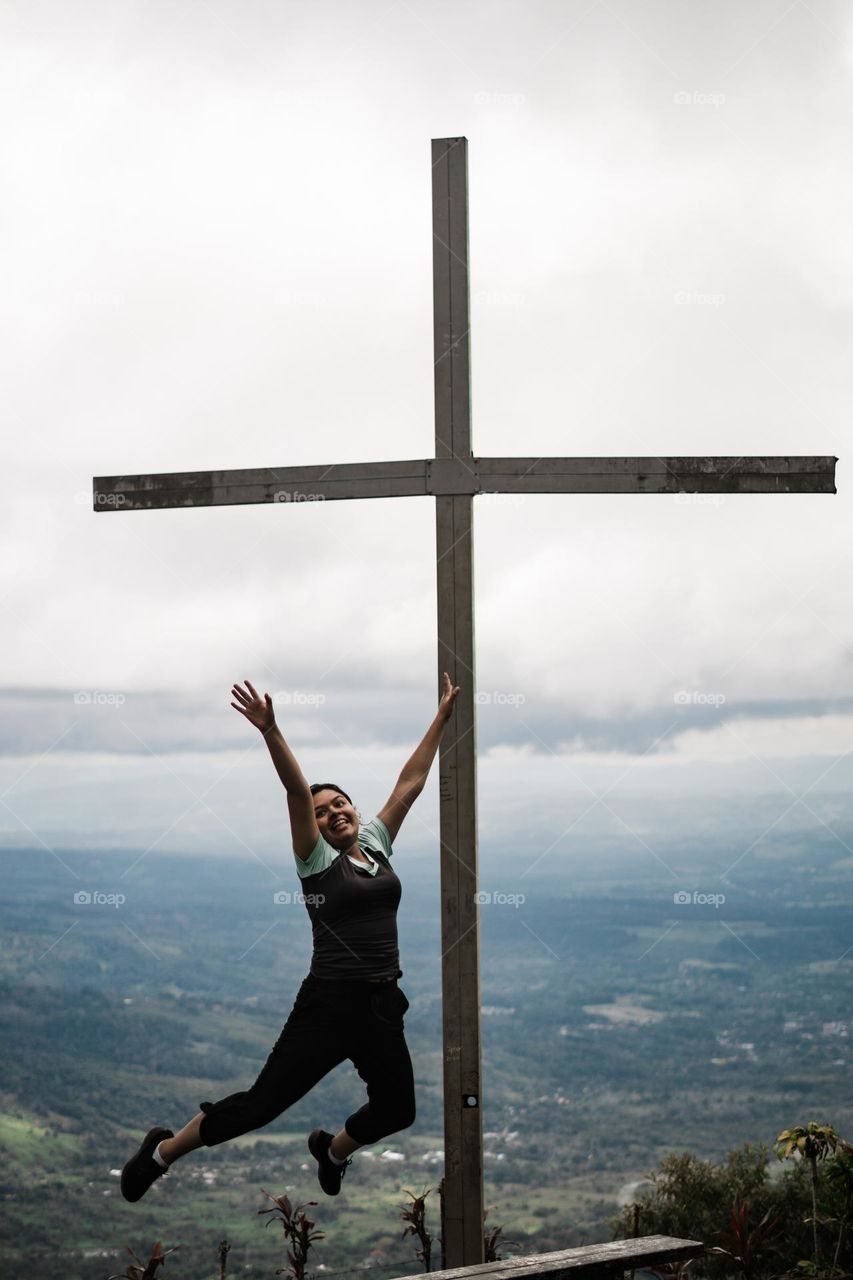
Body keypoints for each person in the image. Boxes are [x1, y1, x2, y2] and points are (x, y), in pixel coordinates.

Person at [120, 672, 460, 1203]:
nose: (333, 812)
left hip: (380, 1002)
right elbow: (296, 792)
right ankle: (160, 1154)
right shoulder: (316, 862)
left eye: (341, 803)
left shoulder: (374, 843)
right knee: (260, 1106)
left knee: (398, 1110)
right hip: (328, 1004)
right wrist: (271, 731)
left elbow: (410, 783)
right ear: (316, 827)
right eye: (323, 812)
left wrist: (440, 718)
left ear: (354, 807)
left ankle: (331, 1150)